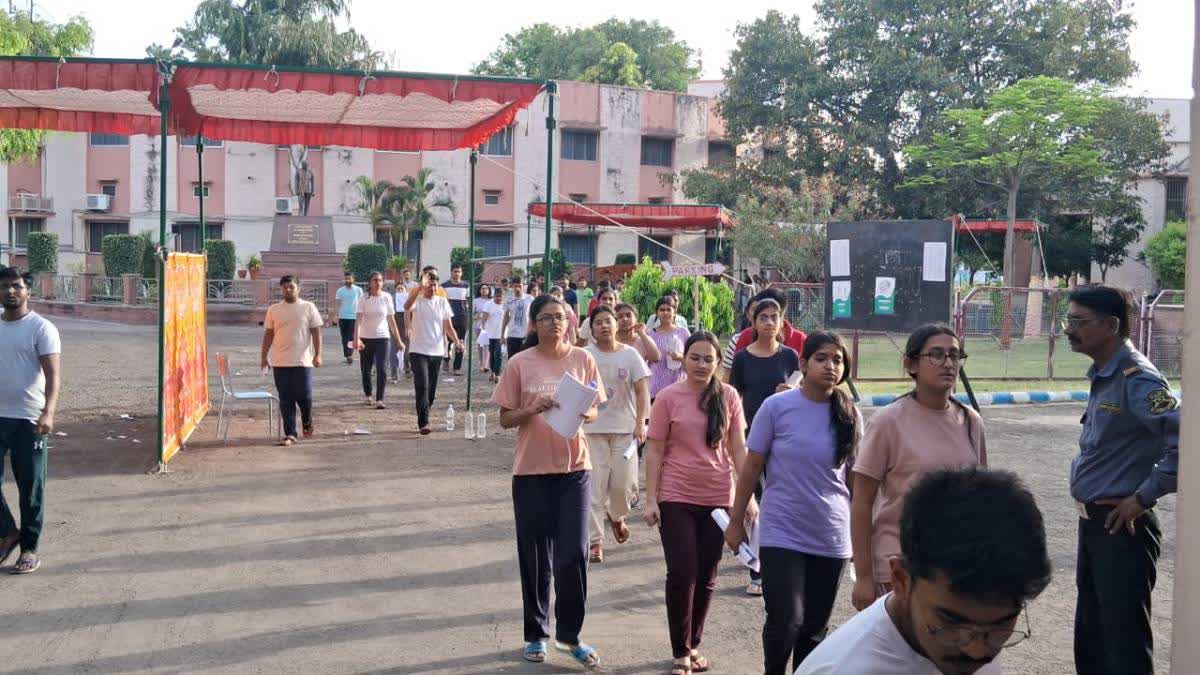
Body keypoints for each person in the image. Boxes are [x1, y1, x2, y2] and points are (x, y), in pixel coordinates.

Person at [797, 467, 1051, 675]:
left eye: (1001, 625)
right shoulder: (846, 669)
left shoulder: (969, 637)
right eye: (951, 622)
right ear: (900, 579)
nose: (977, 651)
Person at [725, 331, 861, 673]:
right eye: (821, 358)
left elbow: (856, 482)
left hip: (831, 535)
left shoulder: (850, 415)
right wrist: (736, 519)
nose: (830, 366)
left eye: (838, 359)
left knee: (814, 629)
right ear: (803, 363)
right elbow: (752, 466)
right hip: (782, 530)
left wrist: (863, 537)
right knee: (785, 618)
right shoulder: (777, 407)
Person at [1063, 285, 1178, 674]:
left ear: (1111, 325)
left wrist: (1143, 497)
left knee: (1123, 642)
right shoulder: (1106, 374)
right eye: (1068, 320)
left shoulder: (1139, 379)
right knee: (1092, 636)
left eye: (1078, 321)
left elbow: (1186, 444)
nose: (1068, 329)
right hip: (1094, 523)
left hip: (1123, 527)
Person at [492, 294, 605, 669]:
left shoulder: (583, 358)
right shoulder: (519, 364)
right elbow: (505, 420)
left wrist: (583, 412)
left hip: (574, 469)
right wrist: (531, 409)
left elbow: (593, 405)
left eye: (560, 317)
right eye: (546, 317)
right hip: (531, 472)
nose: (555, 323)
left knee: (573, 554)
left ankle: (570, 635)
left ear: (570, 322)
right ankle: (536, 634)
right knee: (536, 557)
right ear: (534, 324)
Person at [850, 324, 987, 610]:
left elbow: (982, 498)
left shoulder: (971, 421)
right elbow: (861, 503)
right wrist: (864, 577)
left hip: (954, 568)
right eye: (936, 355)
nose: (948, 363)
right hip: (899, 567)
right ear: (911, 364)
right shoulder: (889, 421)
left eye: (954, 355)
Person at [643, 331, 754, 675]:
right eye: (695, 357)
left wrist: (746, 499)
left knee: (707, 574)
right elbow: (656, 449)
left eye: (709, 359)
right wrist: (650, 498)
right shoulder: (667, 397)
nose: (701, 364)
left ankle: (693, 644)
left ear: (718, 363)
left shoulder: (729, 396)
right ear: (684, 359)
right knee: (682, 571)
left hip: (719, 497)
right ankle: (680, 651)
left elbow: (738, 448)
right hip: (675, 494)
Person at [728, 298, 800, 596]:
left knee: (781, 500)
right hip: (752, 440)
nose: (770, 322)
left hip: (785, 438)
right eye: (764, 317)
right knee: (755, 504)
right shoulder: (743, 358)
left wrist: (792, 389)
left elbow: (802, 388)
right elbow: (734, 397)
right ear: (754, 323)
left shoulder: (791, 356)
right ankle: (756, 571)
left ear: (782, 321)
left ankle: (784, 565)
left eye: (775, 317)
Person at [0, 267, 60, 575]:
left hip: (29, 420)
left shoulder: (41, 328)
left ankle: (29, 548)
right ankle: (8, 532)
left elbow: (53, 375)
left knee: (31, 487)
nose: (11, 291)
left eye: (17, 286)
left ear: (28, 292)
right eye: (5, 287)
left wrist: (48, 412)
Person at [584, 305, 650, 564]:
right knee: (594, 487)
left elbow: (643, 391)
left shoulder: (631, 355)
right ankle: (595, 542)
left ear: (616, 324)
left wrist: (641, 423)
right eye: (597, 322)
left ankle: (617, 514)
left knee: (625, 484)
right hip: (592, 429)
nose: (603, 326)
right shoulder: (585, 355)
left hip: (625, 429)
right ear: (592, 330)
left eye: (607, 321)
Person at [260, 275, 323, 447]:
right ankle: (290, 433)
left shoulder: (308, 307)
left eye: (291, 287)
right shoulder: (274, 310)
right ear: (281, 289)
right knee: (286, 399)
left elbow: (316, 332)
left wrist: (318, 354)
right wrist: (264, 356)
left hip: (303, 360)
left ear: (298, 288)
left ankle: (307, 420)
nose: (288, 290)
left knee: (305, 395)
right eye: (285, 287)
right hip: (280, 361)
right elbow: (268, 334)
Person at [405, 269, 462, 434]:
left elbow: (448, 326)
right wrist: (419, 288)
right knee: (422, 385)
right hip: (418, 350)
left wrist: (457, 341)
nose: (432, 288)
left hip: (437, 350)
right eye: (429, 285)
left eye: (434, 285)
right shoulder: (418, 300)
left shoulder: (442, 302)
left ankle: (425, 409)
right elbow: (406, 306)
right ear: (424, 286)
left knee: (431, 389)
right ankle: (424, 422)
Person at [354, 272, 402, 409]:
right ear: (370, 282)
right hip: (365, 338)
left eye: (380, 280)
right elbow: (357, 321)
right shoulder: (363, 298)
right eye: (375, 280)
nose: (378, 283)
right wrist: (356, 338)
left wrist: (399, 340)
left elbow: (392, 321)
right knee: (366, 368)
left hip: (383, 338)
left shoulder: (387, 297)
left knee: (382, 368)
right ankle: (368, 394)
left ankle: (380, 398)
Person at [731, 287, 806, 361]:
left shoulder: (800, 341)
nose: (769, 323)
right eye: (763, 317)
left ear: (781, 316)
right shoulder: (745, 337)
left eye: (773, 316)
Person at [647, 297, 691, 401]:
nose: (665, 313)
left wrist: (680, 357)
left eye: (668, 310)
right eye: (662, 310)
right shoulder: (650, 335)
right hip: (656, 388)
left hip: (679, 386)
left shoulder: (683, 333)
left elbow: (692, 356)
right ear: (656, 313)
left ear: (674, 312)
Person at [442, 264, 471, 375]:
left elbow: (469, 301)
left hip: (462, 316)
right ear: (451, 272)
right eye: (455, 271)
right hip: (448, 316)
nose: (457, 273)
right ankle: (446, 359)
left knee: (460, 341)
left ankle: (457, 367)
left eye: (459, 271)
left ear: (461, 272)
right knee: (448, 340)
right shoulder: (444, 286)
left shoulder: (466, 285)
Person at [392, 270, 417, 379]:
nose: (400, 291)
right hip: (395, 329)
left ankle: (407, 368)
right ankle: (394, 373)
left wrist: (410, 327)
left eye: (402, 289)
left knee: (407, 352)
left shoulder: (410, 301)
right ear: (395, 290)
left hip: (407, 329)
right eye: (398, 289)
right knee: (393, 352)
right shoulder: (391, 301)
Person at [502, 278, 534, 362]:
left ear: (523, 286)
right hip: (512, 334)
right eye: (515, 286)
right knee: (512, 360)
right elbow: (506, 317)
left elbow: (532, 316)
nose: (517, 288)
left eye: (519, 286)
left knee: (525, 360)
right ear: (512, 287)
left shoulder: (530, 298)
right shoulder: (508, 299)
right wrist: (502, 334)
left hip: (526, 334)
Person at [334, 273, 363, 364]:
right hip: (343, 316)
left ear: (353, 279)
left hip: (353, 316)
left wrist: (362, 315)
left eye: (349, 279)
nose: (347, 281)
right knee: (344, 337)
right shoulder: (340, 291)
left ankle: (349, 355)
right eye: (346, 279)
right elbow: (337, 304)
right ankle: (348, 355)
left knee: (351, 336)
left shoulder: (358, 290)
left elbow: (362, 303)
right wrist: (336, 315)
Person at [480, 289, 506, 382]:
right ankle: (492, 371)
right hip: (490, 333)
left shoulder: (505, 305)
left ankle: (497, 374)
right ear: (494, 296)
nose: (499, 298)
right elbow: (484, 317)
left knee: (498, 353)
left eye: (501, 297)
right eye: (497, 296)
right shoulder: (488, 304)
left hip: (501, 333)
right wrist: (483, 327)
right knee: (492, 353)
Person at [473, 284, 494, 372]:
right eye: (482, 288)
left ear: (489, 290)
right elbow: (472, 314)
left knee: (487, 345)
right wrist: (476, 315)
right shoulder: (476, 301)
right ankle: (481, 363)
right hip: (478, 325)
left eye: (486, 288)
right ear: (479, 290)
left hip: (489, 326)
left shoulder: (492, 301)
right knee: (480, 345)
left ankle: (486, 364)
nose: (484, 290)